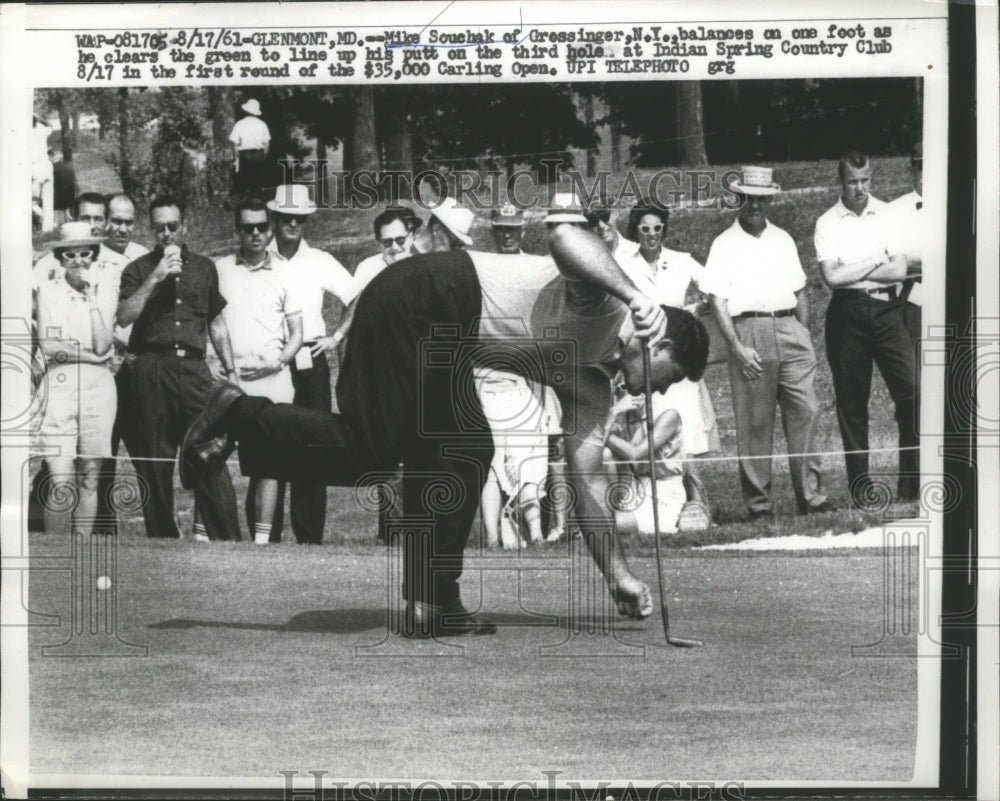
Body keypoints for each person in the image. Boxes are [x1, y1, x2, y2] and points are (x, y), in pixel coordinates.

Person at [180, 218, 710, 638]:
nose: (659, 392)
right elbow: (563, 234)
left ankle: (433, 602)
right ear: (661, 345)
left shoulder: (593, 389)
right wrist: (636, 293)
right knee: (376, 451)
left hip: (449, 342)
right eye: (671, 377)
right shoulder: (608, 301)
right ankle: (235, 412)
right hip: (424, 295)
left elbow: (589, 485)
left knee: (463, 454)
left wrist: (616, 575)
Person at [702, 167, 830, 518]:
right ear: (738, 199)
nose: (754, 205)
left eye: (760, 199)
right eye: (747, 198)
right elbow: (717, 301)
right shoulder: (724, 244)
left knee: (805, 412)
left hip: (789, 327)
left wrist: (802, 334)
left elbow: (800, 290)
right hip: (749, 332)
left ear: (769, 199)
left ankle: (812, 497)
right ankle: (759, 504)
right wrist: (736, 346)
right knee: (755, 422)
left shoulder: (783, 239)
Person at [116, 195, 241, 540]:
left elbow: (216, 324)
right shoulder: (138, 269)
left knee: (209, 453)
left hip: (194, 370)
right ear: (151, 229)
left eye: (173, 226)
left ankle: (229, 541)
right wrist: (155, 277)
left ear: (184, 226)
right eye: (160, 228)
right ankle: (163, 542)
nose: (167, 234)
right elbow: (125, 316)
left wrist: (231, 372)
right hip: (152, 368)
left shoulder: (204, 268)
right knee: (155, 459)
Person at [815, 150, 920, 509]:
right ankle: (862, 490)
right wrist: (878, 257)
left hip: (888, 310)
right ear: (841, 181)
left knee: (912, 391)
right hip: (847, 316)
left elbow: (898, 270)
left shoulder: (888, 214)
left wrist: (858, 267)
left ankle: (912, 483)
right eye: (853, 181)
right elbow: (832, 277)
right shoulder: (827, 222)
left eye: (866, 180)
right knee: (852, 403)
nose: (860, 188)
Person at [266, 184, 357, 544]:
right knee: (270, 444)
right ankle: (265, 535)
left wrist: (335, 337)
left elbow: (356, 297)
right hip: (272, 361)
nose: (292, 224)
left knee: (312, 446)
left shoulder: (319, 260)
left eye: (298, 218)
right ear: (274, 218)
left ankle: (309, 538)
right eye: (286, 217)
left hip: (310, 359)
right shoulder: (261, 256)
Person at [217, 198, 304, 544]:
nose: (255, 234)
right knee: (212, 460)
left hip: (274, 381)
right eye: (247, 227)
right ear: (238, 231)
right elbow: (211, 323)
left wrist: (279, 360)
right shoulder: (220, 269)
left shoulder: (285, 273)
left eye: (261, 227)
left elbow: (297, 333)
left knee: (269, 463)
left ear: (270, 230)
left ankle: (262, 545)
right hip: (228, 382)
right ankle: (206, 538)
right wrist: (225, 370)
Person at [33, 222, 118, 537]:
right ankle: (55, 548)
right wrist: (88, 353)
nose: (79, 261)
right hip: (59, 386)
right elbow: (51, 345)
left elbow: (103, 344)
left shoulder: (104, 289)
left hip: (99, 389)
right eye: (71, 255)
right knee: (60, 477)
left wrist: (92, 298)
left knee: (89, 475)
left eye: (86, 254)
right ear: (60, 256)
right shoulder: (48, 292)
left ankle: (80, 547)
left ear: (94, 255)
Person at [604, 383, 710, 536]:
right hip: (632, 488)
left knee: (606, 525)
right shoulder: (620, 419)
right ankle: (608, 510)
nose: (634, 390)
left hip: (664, 492)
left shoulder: (669, 415)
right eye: (625, 386)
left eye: (640, 383)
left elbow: (635, 454)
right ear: (618, 393)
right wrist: (613, 412)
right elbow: (592, 446)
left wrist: (605, 435)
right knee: (604, 454)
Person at [353, 206, 424, 295]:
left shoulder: (422, 268)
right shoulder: (367, 269)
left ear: (410, 238)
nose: (394, 247)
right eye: (387, 242)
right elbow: (355, 306)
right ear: (379, 244)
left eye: (400, 240)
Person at [229, 98, 271, 199]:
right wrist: (263, 156)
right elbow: (267, 144)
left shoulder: (239, 124)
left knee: (244, 182)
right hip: (258, 155)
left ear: (246, 110)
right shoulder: (262, 125)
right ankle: (256, 205)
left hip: (245, 155)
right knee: (257, 182)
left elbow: (234, 142)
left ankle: (244, 205)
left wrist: (237, 155)